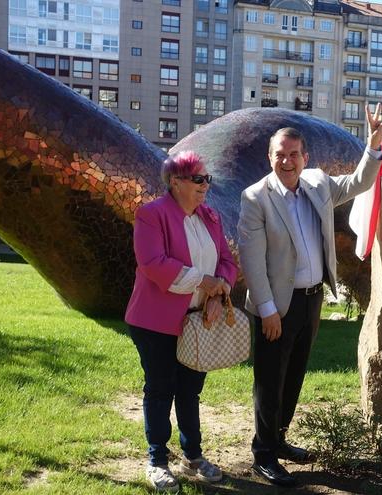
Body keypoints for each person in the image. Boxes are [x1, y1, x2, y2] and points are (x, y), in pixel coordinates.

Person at [238, 104, 382, 486]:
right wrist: (268, 310)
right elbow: (252, 262)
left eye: (293, 154)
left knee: (294, 376)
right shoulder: (255, 198)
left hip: (311, 298)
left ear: (305, 158)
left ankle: (280, 438)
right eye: (279, 155)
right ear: (270, 158)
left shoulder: (318, 184)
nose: (286, 161)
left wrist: (372, 148)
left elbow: (358, 184)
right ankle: (264, 454)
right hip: (276, 305)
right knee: (269, 381)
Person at [125, 151, 239, 492]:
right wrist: (203, 282)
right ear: (176, 182)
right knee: (160, 389)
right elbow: (153, 263)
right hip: (154, 321)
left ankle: (192, 456)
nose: (206, 186)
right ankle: (157, 460)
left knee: (190, 391)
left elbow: (227, 262)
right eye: (198, 179)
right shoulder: (151, 215)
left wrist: (218, 294)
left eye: (208, 179)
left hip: (198, 320)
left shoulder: (210, 217)